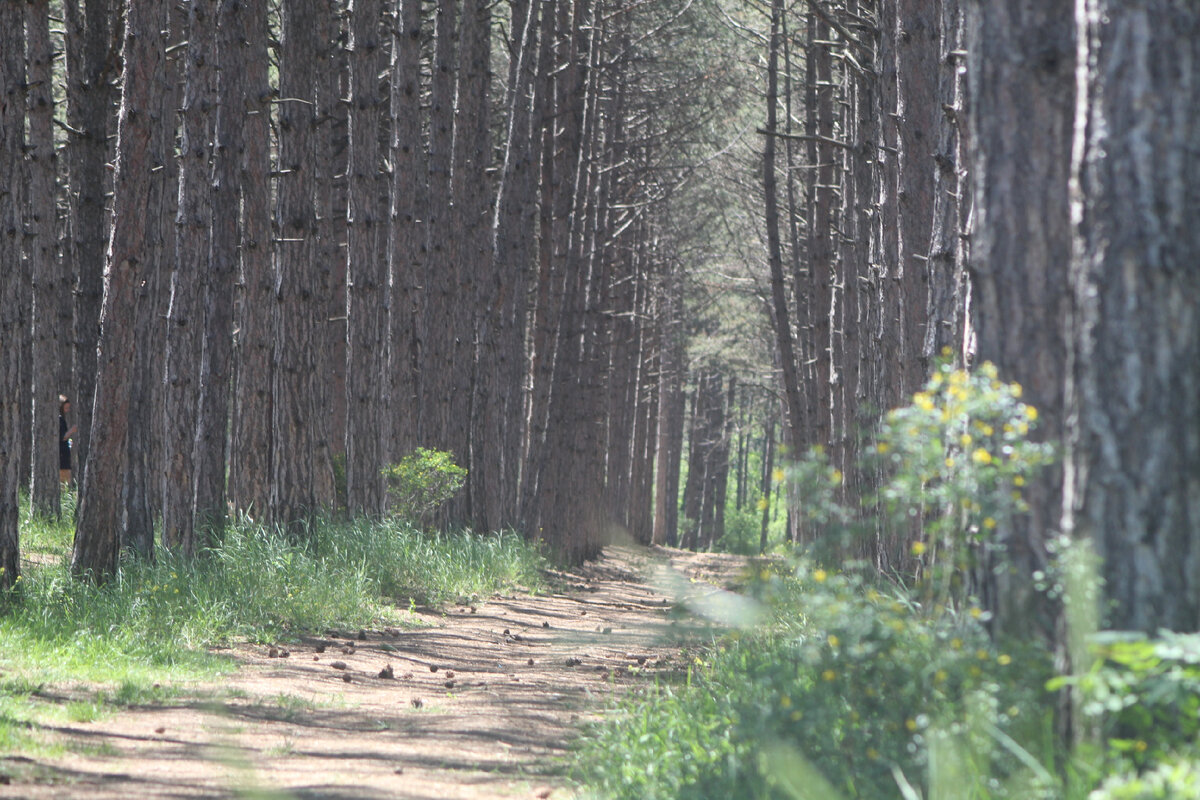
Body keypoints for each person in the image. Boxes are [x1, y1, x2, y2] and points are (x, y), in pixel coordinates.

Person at [59, 395, 77, 486]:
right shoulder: (59, 420)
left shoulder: (62, 419)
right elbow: (62, 437)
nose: (67, 410)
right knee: (65, 482)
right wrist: (72, 430)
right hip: (62, 457)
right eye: (66, 408)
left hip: (64, 455)